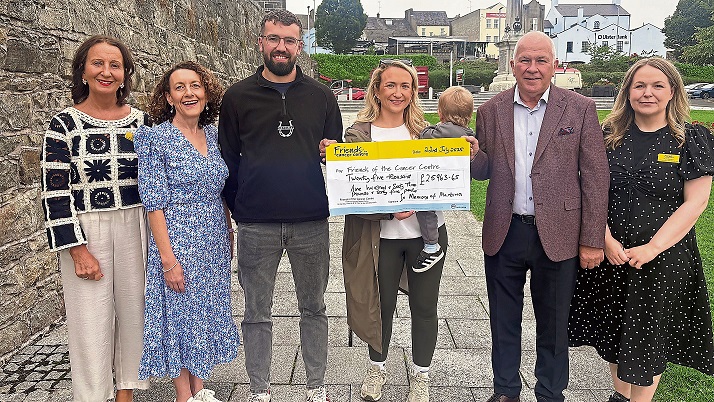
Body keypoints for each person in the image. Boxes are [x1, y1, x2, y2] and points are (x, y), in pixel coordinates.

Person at [466, 31, 610, 402]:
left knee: (555, 324)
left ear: (554, 65)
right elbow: (484, 170)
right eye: (525, 60)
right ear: (513, 65)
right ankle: (506, 391)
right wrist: (472, 155)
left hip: (560, 233)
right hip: (505, 230)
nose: (533, 68)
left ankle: (550, 393)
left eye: (541, 60)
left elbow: (596, 176)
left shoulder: (579, 108)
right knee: (503, 320)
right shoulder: (491, 110)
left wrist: (592, 239)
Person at [568, 57, 714, 402]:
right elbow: (587, 189)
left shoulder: (690, 139)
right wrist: (604, 239)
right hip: (612, 255)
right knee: (617, 331)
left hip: (664, 259)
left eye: (657, 85)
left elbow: (696, 202)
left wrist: (652, 248)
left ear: (672, 91)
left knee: (650, 337)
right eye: (640, 85)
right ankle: (619, 396)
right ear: (628, 92)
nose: (648, 93)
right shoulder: (606, 136)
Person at [218, 9, 342, 402]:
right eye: (273, 39)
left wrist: (332, 153)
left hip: (310, 219)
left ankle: (316, 386)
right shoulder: (238, 97)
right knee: (256, 311)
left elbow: (338, 156)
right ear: (260, 43)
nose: (281, 47)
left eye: (289, 40)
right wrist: (240, 207)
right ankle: (260, 390)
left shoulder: (322, 96)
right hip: (257, 223)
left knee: (314, 307)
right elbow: (227, 159)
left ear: (299, 46)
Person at [322, 59, 447, 402]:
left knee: (425, 307)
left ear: (414, 91)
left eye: (405, 86)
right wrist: (335, 158)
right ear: (376, 90)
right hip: (381, 239)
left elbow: (457, 169)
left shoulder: (427, 132)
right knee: (381, 307)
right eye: (390, 85)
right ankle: (377, 368)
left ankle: (421, 376)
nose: (398, 92)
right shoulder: (358, 134)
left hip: (426, 236)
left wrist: (470, 151)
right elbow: (350, 191)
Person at [40, 35, 149, 402]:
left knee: (134, 313)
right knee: (90, 320)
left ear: (125, 73)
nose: (106, 71)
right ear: (83, 71)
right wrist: (76, 248)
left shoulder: (143, 122)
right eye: (97, 63)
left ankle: (126, 393)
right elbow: (54, 190)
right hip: (87, 228)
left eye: (115, 65)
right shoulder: (64, 124)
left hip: (136, 225)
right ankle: (91, 396)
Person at [134, 61, 239, 402]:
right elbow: (153, 204)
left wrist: (228, 230)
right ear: (168, 97)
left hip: (213, 240)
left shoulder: (213, 135)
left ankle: (200, 388)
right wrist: (168, 261)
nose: (188, 93)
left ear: (206, 93)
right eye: (179, 87)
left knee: (203, 314)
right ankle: (183, 394)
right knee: (179, 315)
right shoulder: (156, 139)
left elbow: (218, 190)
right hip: (177, 241)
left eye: (195, 85)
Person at [413, 85, 475, 272]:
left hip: (438, 182)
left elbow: (424, 135)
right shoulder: (468, 134)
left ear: (440, 113)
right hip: (456, 185)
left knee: (425, 209)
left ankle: (432, 246)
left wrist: (427, 127)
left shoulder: (442, 131)